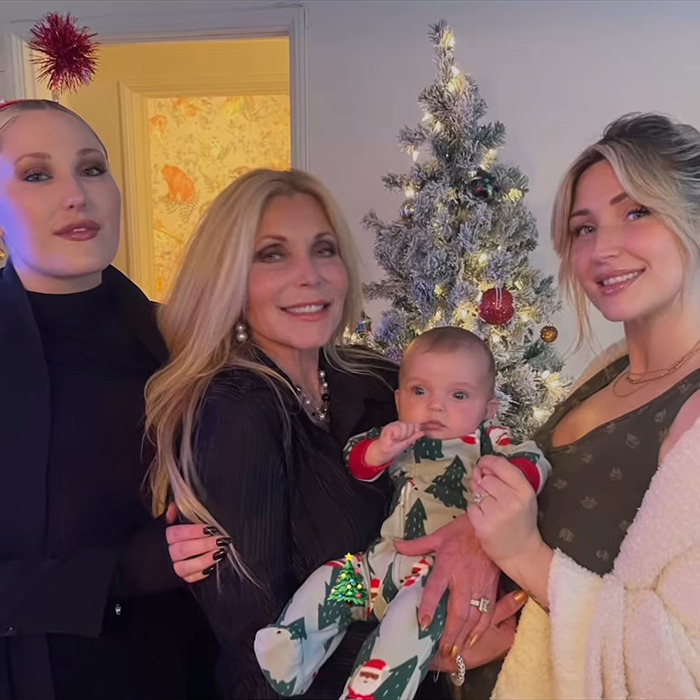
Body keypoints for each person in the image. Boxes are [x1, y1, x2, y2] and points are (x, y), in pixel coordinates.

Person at [146, 169, 513, 699]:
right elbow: (258, 640)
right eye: (273, 254)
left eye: (325, 249)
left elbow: (474, 462)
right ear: (230, 278)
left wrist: (475, 538)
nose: (311, 276)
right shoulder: (235, 411)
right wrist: (429, 653)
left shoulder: (381, 381)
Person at [447, 112, 700, 698]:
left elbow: (678, 665)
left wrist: (522, 554)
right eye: (584, 228)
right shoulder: (606, 370)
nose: (603, 248)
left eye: (637, 211)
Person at [0, 99, 218, 700]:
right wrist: (120, 574)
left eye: (92, 168)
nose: (77, 195)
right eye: (37, 174)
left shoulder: (183, 340)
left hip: (199, 668)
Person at [254, 326, 550, 699]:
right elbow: (356, 459)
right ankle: (294, 651)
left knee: (412, 622)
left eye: (458, 395)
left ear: (488, 409)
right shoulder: (399, 437)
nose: (435, 406)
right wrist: (380, 450)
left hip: (434, 575)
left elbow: (532, 461)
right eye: (419, 391)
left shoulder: (488, 439)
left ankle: (375, 690)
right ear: (398, 399)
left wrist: (503, 487)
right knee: (335, 579)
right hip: (375, 567)